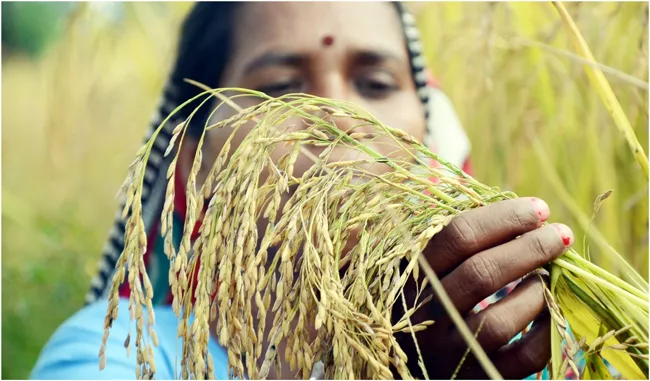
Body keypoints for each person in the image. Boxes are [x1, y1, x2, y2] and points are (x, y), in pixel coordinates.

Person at [30, 2, 578, 380]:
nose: (338, 116)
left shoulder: (522, 346)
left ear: (428, 140)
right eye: (280, 87)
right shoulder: (120, 354)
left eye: (377, 83)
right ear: (192, 162)